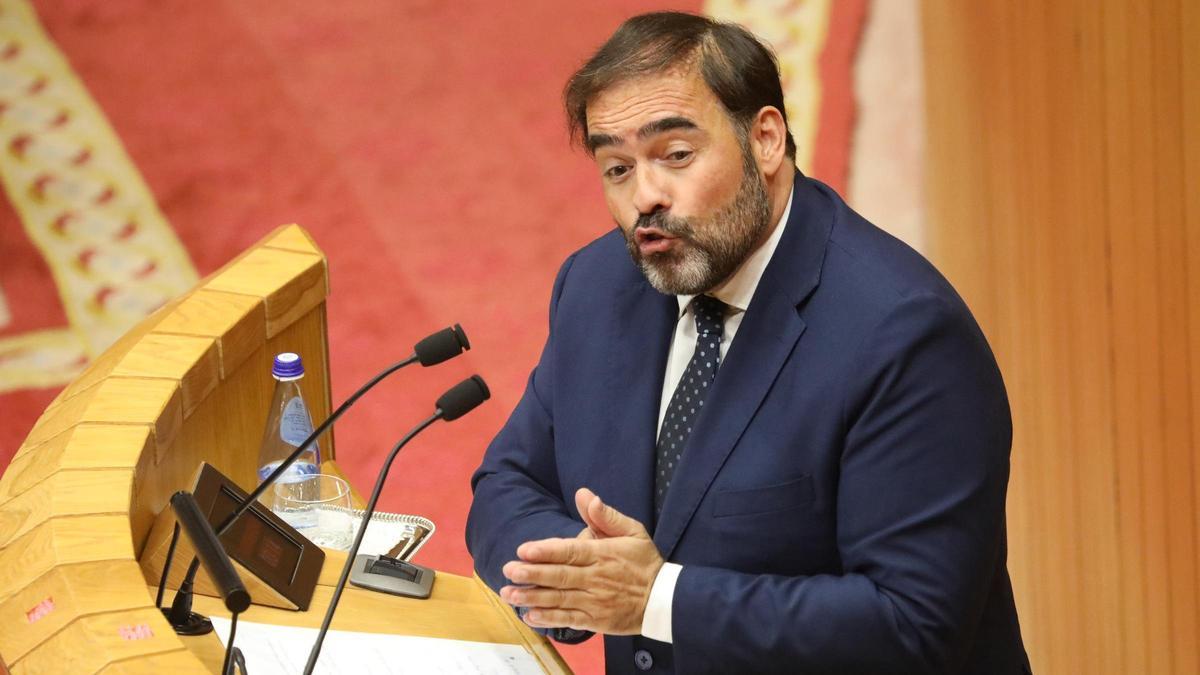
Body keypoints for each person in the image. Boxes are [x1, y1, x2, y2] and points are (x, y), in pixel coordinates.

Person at [466, 11, 1030, 674]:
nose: (645, 197)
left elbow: (912, 628)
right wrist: (580, 577)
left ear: (765, 139)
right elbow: (508, 482)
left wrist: (655, 598)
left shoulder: (904, 336)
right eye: (616, 168)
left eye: (675, 155)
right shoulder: (598, 287)